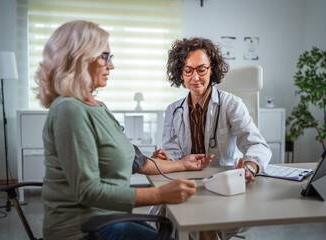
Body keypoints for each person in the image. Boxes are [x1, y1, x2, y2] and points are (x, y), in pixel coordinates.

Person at [36, 20, 213, 240]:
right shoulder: (69, 110)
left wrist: (182, 164)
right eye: (105, 57)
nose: (111, 66)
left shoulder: (98, 107)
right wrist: (159, 194)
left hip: (110, 221)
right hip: (83, 231)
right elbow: (88, 192)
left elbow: (135, 161)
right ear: (79, 59)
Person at [152, 37, 272, 240]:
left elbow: (256, 144)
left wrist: (250, 167)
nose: (195, 77)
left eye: (201, 69)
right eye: (188, 70)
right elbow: (172, 151)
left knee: (202, 222)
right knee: (173, 216)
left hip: (221, 184)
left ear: (211, 68)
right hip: (187, 182)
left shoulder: (231, 104)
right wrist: (166, 156)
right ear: (180, 73)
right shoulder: (173, 111)